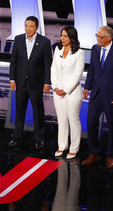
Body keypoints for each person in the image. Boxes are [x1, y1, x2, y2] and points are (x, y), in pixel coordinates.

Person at [82, 26, 113, 169]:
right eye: (97, 36)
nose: (97, 39)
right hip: (96, 94)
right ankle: (94, 152)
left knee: (112, 126)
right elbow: (92, 70)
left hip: (112, 96)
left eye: (100, 37)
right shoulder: (95, 48)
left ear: (108, 38)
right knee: (90, 122)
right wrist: (87, 87)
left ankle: (110, 155)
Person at [9, 16, 52, 151]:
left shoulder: (44, 42)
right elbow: (13, 61)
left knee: (38, 112)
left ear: (37, 27)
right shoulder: (18, 39)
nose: (28, 29)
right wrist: (12, 79)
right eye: (26, 25)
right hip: (20, 82)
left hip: (36, 83)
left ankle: (39, 139)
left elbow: (47, 64)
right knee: (19, 111)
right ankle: (17, 137)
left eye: (31, 26)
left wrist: (47, 82)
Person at [51, 26, 85, 159]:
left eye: (65, 36)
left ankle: (74, 148)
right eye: (61, 35)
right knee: (61, 120)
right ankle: (62, 146)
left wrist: (65, 89)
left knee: (73, 119)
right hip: (57, 91)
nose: (62, 38)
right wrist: (55, 87)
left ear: (72, 37)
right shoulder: (57, 49)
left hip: (72, 92)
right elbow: (53, 68)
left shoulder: (79, 53)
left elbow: (78, 74)